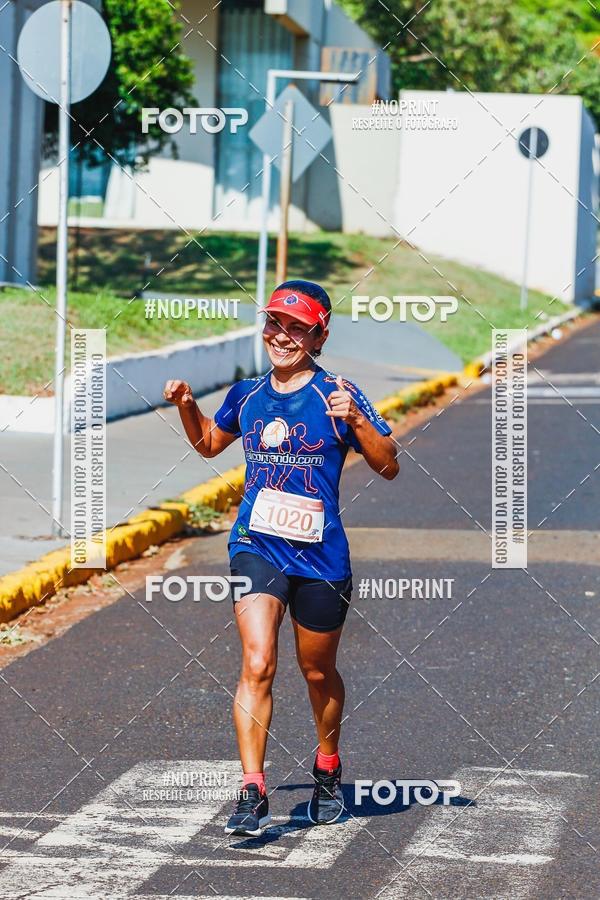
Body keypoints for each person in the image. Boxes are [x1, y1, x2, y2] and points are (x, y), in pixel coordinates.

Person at [163, 279, 398, 836]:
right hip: (257, 545)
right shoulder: (247, 395)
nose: (282, 335)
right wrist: (188, 407)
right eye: (275, 323)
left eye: (297, 327)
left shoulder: (338, 393)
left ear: (319, 336)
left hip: (321, 557)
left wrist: (357, 421)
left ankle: (327, 765)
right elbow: (208, 444)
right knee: (257, 661)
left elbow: (389, 465)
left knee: (317, 670)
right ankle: (253, 791)